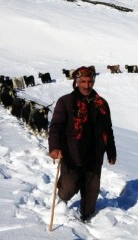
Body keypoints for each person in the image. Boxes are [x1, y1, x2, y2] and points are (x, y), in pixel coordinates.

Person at [48, 65, 117, 222]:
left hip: (95, 153)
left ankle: (86, 216)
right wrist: (54, 147)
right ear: (76, 82)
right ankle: (62, 202)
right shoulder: (66, 102)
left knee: (91, 189)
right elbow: (56, 126)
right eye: (83, 81)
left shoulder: (102, 104)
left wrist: (111, 150)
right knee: (69, 186)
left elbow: (108, 129)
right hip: (72, 152)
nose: (87, 85)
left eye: (90, 81)